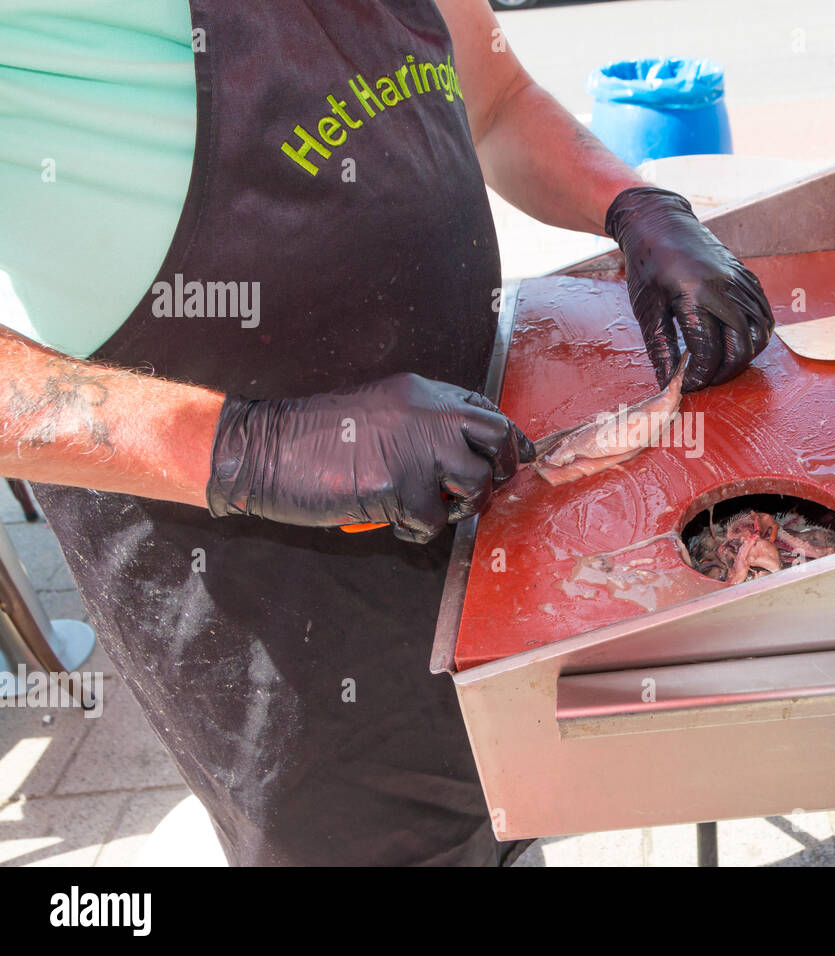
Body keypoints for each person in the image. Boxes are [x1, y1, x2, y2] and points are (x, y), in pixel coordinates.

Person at [0, 0, 773, 865]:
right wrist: (252, 448)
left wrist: (634, 205)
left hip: (468, 496)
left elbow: (498, 99)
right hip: (257, 593)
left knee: (508, 803)